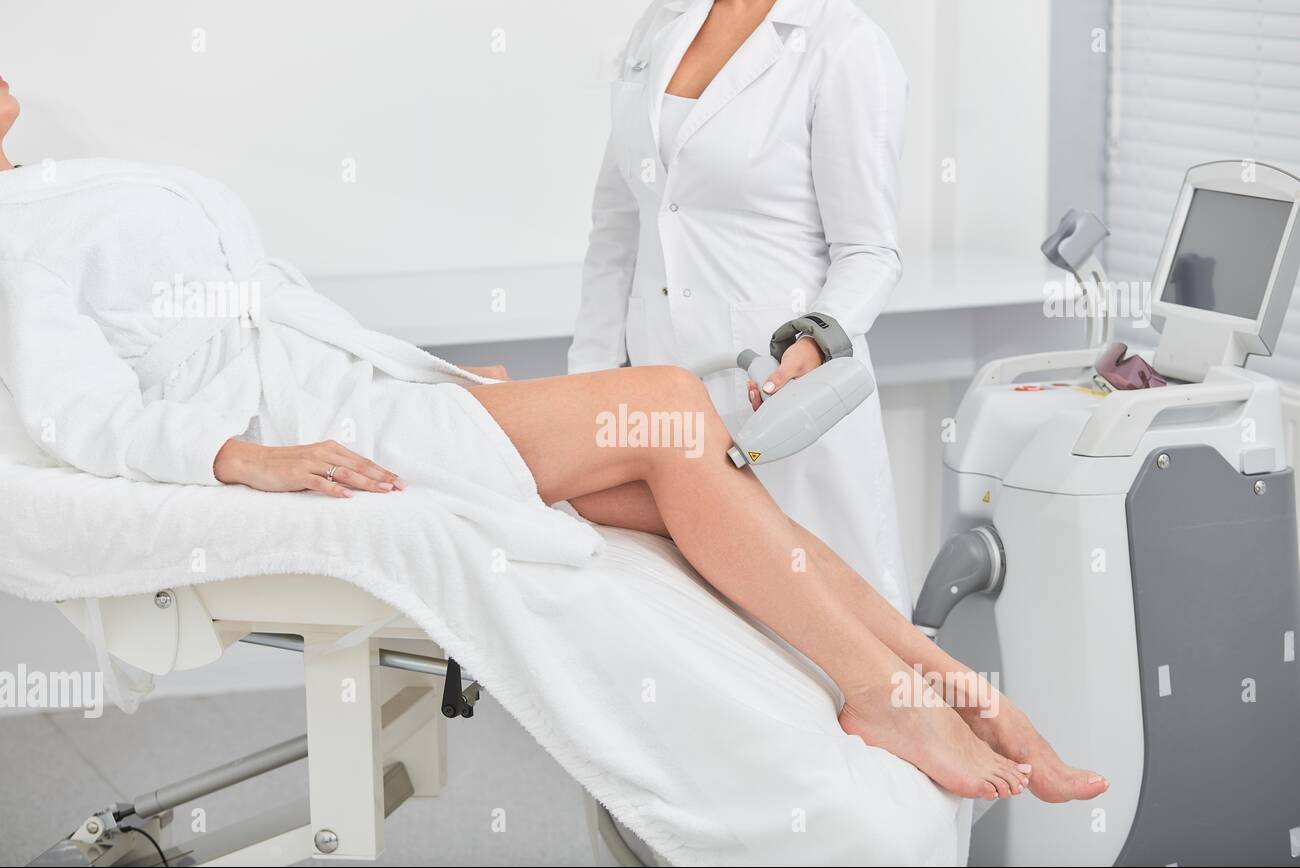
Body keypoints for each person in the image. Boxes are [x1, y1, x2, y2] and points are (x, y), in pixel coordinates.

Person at [0, 74, 1106, 804]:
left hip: (365, 384)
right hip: (317, 425)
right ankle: (888, 694)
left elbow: (273, 305)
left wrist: (427, 373)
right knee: (672, 408)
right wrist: (239, 459)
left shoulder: (67, 185)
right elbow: (78, 414)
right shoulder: (13, 244)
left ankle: (950, 688)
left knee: (716, 495)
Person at [570, 0, 912, 615]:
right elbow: (618, 229)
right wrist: (585, 391)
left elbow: (869, 251)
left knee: (827, 639)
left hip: (785, 399)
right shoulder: (660, 24)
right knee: (708, 643)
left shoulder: (843, 43)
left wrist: (816, 339)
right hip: (665, 404)